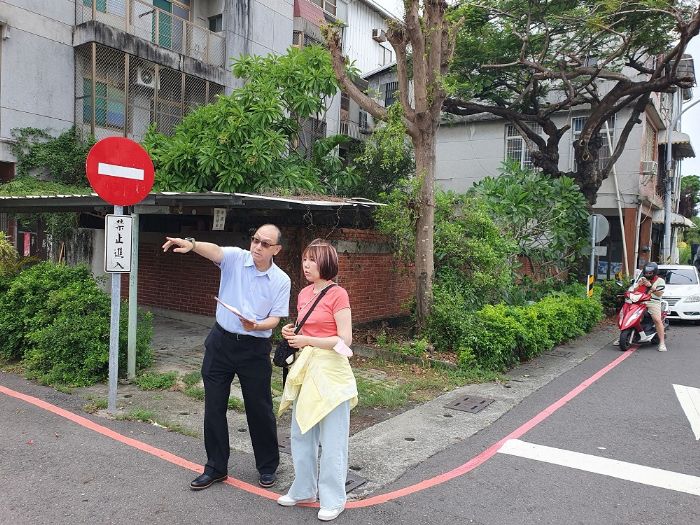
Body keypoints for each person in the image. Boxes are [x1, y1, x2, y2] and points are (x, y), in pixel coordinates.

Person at [162, 224, 291, 490]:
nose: (257, 246)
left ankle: (267, 466)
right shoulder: (236, 258)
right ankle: (216, 467)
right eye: (255, 239)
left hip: (254, 350)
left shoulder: (281, 280)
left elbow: (275, 319)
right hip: (221, 344)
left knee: (259, 409)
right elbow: (216, 252)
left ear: (276, 249)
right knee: (214, 406)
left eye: (265, 243)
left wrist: (256, 325)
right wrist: (194, 244)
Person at [276, 239, 357, 522]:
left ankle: (334, 499)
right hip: (306, 369)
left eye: (312, 260)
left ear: (326, 263)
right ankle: (304, 489)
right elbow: (305, 327)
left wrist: (307, 339)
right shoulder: (304, 294)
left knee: (333, 438)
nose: (306, 264)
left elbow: (345, 339)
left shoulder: (338, 295)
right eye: (304, 259)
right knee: (301, 433)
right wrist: (292, 331)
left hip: (331, 373)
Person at [637, 262, 667, 352]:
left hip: (653, 302)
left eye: (650, 273)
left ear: (654, 272)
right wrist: (638, 285)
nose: (647, 275)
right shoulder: (641, 279)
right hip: (639, 301)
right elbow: (634, 290)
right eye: (646, 273)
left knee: (657, 320)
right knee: (628, 315)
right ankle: (622, 337)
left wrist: (650, 286)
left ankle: (662, 343)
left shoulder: (660, 281)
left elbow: (659, 294)